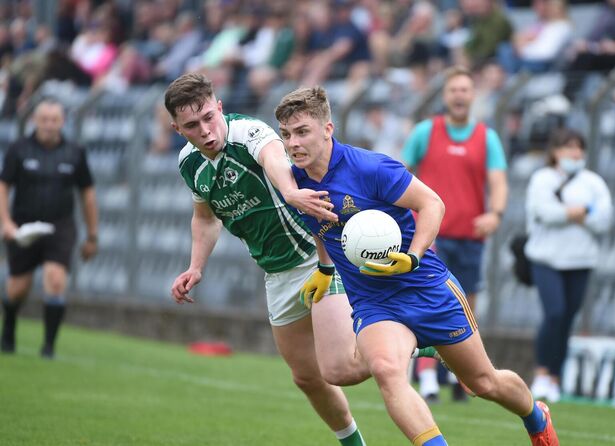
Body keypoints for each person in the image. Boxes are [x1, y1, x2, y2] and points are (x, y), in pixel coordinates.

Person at [277, 86, 558, 446]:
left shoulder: (370, 168)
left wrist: (412, 256)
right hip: (374, 302)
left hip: (426, 287)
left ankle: (536, 417)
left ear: (328, 129)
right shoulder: (294, 186)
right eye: (286, 135)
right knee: (386, 370)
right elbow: (325, 225)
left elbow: (432, 204)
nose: (293, 143)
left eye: (302, 132)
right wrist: (326, 267)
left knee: (482, 383)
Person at [164, 72, 413, 446]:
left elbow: (273, 157)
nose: (205, 130)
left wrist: (290, 192)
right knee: (306, 377)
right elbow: (205, 217)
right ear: (177, 128)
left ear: (219, 108)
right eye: (191, 125)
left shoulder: (248, 132)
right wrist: (196, 266)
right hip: (276, 272)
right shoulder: (189, 164)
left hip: (318, 255)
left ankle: (413, 336)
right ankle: (354, 442)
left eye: (208, 118)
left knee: (343, 367)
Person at [402, 65, 508, 402]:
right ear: (445, 96)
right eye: (453, 90)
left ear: (472, 95)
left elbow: (498, 181)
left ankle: (463, 377)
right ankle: (428, 376)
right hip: (430, 235)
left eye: (465, 89)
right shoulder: (425, 132)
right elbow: (399, 176)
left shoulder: (486, 137)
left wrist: (496, 214)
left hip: (471, 235)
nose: (459, 95)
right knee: (428, 302)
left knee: (466, 304)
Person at [0, 98, 98, 358]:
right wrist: (6, 223)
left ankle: (48, 347)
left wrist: (92, 236)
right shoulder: (19, 149)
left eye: (55, 120)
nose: (49, 125)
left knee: (55, 280)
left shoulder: (75, 152)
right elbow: (3, 186)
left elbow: (87, 194)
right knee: (17, 288)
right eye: (44, 120)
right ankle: (8, 326)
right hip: (23, 224)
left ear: (62, 122)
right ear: (35, 121)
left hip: (60, 225)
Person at [523, 129, 613, 403]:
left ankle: (554, 378)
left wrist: (574, 213)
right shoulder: (542, 179)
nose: (574, 153)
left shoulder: (593, 182)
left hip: (581, 261)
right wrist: (580, 211)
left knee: (566, 320)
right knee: (554, 313)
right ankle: (541, 372)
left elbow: (604, 219)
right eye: (567, 147)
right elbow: (545, 213)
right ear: (555, 151)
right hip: (546, 259)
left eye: (578, 148)